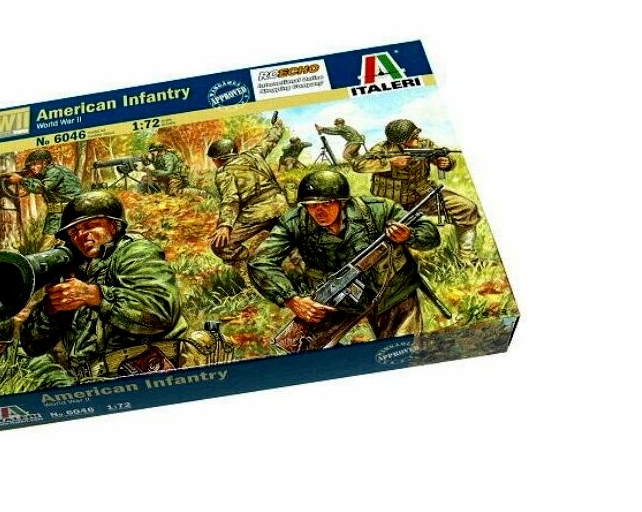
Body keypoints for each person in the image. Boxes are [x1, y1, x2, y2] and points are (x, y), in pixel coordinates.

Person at [248, 170, 440, 351]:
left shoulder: (379, 209)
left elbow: (429, 234)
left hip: (391, 290)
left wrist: (409, 235)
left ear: (342, 202)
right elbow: (260, 261)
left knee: (403, 350)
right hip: (335, 298)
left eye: (327, 204)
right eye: (312, 205)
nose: (319, 211)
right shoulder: (295, 222)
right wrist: (292, 299)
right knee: (306, 351)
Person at [19, 191, 190, 380]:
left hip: (149, 372)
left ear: (114, 226)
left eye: (90, 226)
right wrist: (50, 310)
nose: (81, 235)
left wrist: (96, 296)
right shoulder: (74, 269)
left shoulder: (135, 252)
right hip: (91, 381)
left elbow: (162, 312)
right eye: (74, 232)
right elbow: (32, 347)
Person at [351, 119, 482, 264]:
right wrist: (390, 163)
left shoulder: (425, 145)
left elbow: (443, 158)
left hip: (423, 195)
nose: (418, 138)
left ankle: (467, 258)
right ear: (400, 140)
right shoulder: (382, 149)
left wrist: (446, 163)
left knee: (466, 208)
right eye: (413, 137)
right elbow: (358, 165)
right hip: (391, 203)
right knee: (386, 233)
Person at [206, 115, 289, 284]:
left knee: (220, 245)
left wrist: (225, 225)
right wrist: (277, 126)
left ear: (218, 159)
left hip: (256, 214)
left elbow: (230, 199)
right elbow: (271, 140)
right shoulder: (254, 154)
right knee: (291, 237)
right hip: (281, 206)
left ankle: (249, 276)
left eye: (214, 160)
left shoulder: (224, 173)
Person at [8, 149, 83, 237]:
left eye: (36, 164)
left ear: (45, 163)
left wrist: (21, 180)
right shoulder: (48, 172)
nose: (33, 167)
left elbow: (41, 188)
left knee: (49, 241)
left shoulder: (54, 171)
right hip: (58, 213)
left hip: (66, 213)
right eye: (31, 165)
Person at [142, 143, 208, 197]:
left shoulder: (168, 157)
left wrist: (154, 171)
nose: (151, 153)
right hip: (167, 177)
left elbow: (168, 171)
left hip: (175, 177)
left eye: (153, 151)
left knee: (174, 192)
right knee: (145, 179)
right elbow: (156, 166)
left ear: (158, 150)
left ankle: (201, 193)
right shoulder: (159, 157)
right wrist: (147, 162)